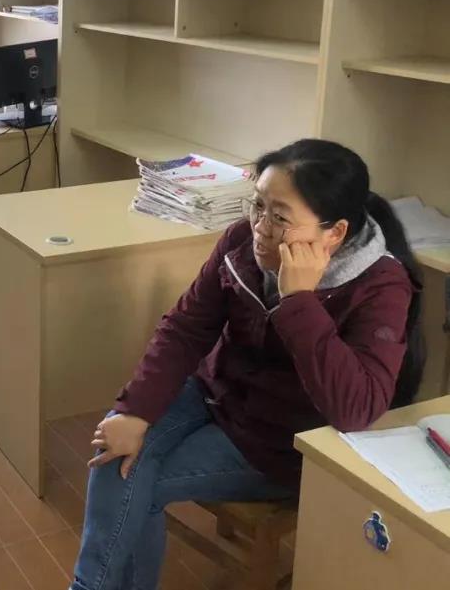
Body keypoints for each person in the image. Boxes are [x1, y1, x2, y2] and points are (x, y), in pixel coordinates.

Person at [71, 139, 424, 590]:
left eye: (280, 217)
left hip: (279, 442)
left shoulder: (381, 284)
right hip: (215, 393)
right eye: (258, 205)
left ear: (334, 232)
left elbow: (356, 409)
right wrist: (136, 410)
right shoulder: (241, 240)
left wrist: (299, 301)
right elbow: (186, 328)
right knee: (114, 448)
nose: (260, 226)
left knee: (137, 482)